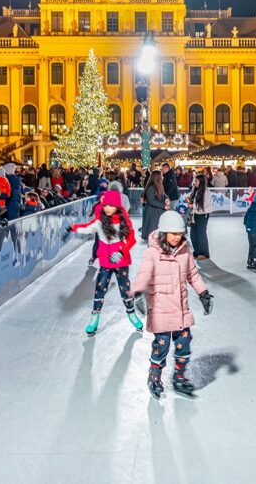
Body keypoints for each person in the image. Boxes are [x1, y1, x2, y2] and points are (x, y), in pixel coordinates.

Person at [131, 210, 213, 398]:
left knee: (184, 344)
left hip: (181, 310)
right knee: (162, 345)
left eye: (180, 234)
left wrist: (203, 293)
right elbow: (143, 274)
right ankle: (154, 376)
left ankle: (179, 377)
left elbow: (193, 274)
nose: (177, 237)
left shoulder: (185, 252)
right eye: (174, 233)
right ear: (164, 232)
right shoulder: (153, 253)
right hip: (160, 309)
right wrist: (138, 293)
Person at [68, 190, 141, 335]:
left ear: (117, 206)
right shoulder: (99, 222)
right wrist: (74, 228)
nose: (107, 208)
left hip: (121, 261)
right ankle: (94, 318)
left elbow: (132, 239)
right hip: (105, 263)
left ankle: (132, 314)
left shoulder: (123, 221)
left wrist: (120, 252)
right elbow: (87, 228)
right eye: (105, 205)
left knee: (125, 289)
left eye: (111, 205)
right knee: (100, 289)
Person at [186, 174, 212, 261]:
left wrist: (191, 205)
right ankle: (196, 252)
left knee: (201, 234)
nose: (195, 182)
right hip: (195, 214)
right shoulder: (195, 190)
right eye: (195, 181)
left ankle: (204, 253)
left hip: (202, 215)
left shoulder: (206, 192)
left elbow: (203, 206)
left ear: (201, 182)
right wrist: (189, 200)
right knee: (193, 234)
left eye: (196, 181)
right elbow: (194, 202)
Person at [141, 170, 167, 241]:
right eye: (161, 176)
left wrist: (166, 198)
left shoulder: (159, 186)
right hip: (152, 213)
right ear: (157, 177)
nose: (163, 177)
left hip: (157, 212)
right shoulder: (151, 188)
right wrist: (163, 206)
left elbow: (163, 195)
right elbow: (152, 201)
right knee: (152, 232)